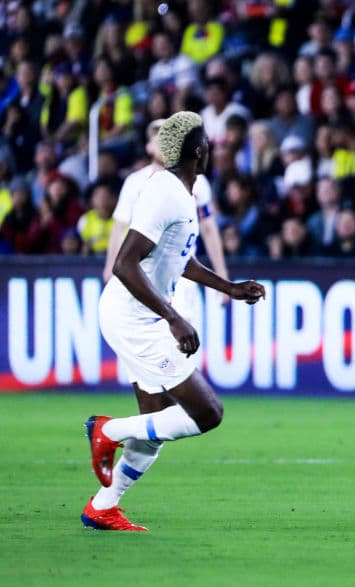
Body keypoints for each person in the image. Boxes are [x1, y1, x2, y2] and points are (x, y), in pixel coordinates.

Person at [82, 112, 266, 531]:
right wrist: (174, 318)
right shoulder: (164, 193)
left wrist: (229, 287)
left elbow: (177, 259)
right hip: (133, 318)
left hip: (141, 315)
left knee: (156, 425)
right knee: (207, 412)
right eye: (207, 142)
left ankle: (102, 507)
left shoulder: (184, 192)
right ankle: (107, 430)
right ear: (198, 151)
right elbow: (125, 264)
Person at [103, 118, 230, 318]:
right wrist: (111, 266)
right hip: (141, 273)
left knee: (180, 342)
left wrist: (221, 273)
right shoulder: (135, 183)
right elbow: (120, 227)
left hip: (180, 274)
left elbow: (209, 229)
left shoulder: (197, 182)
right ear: (149, 146)